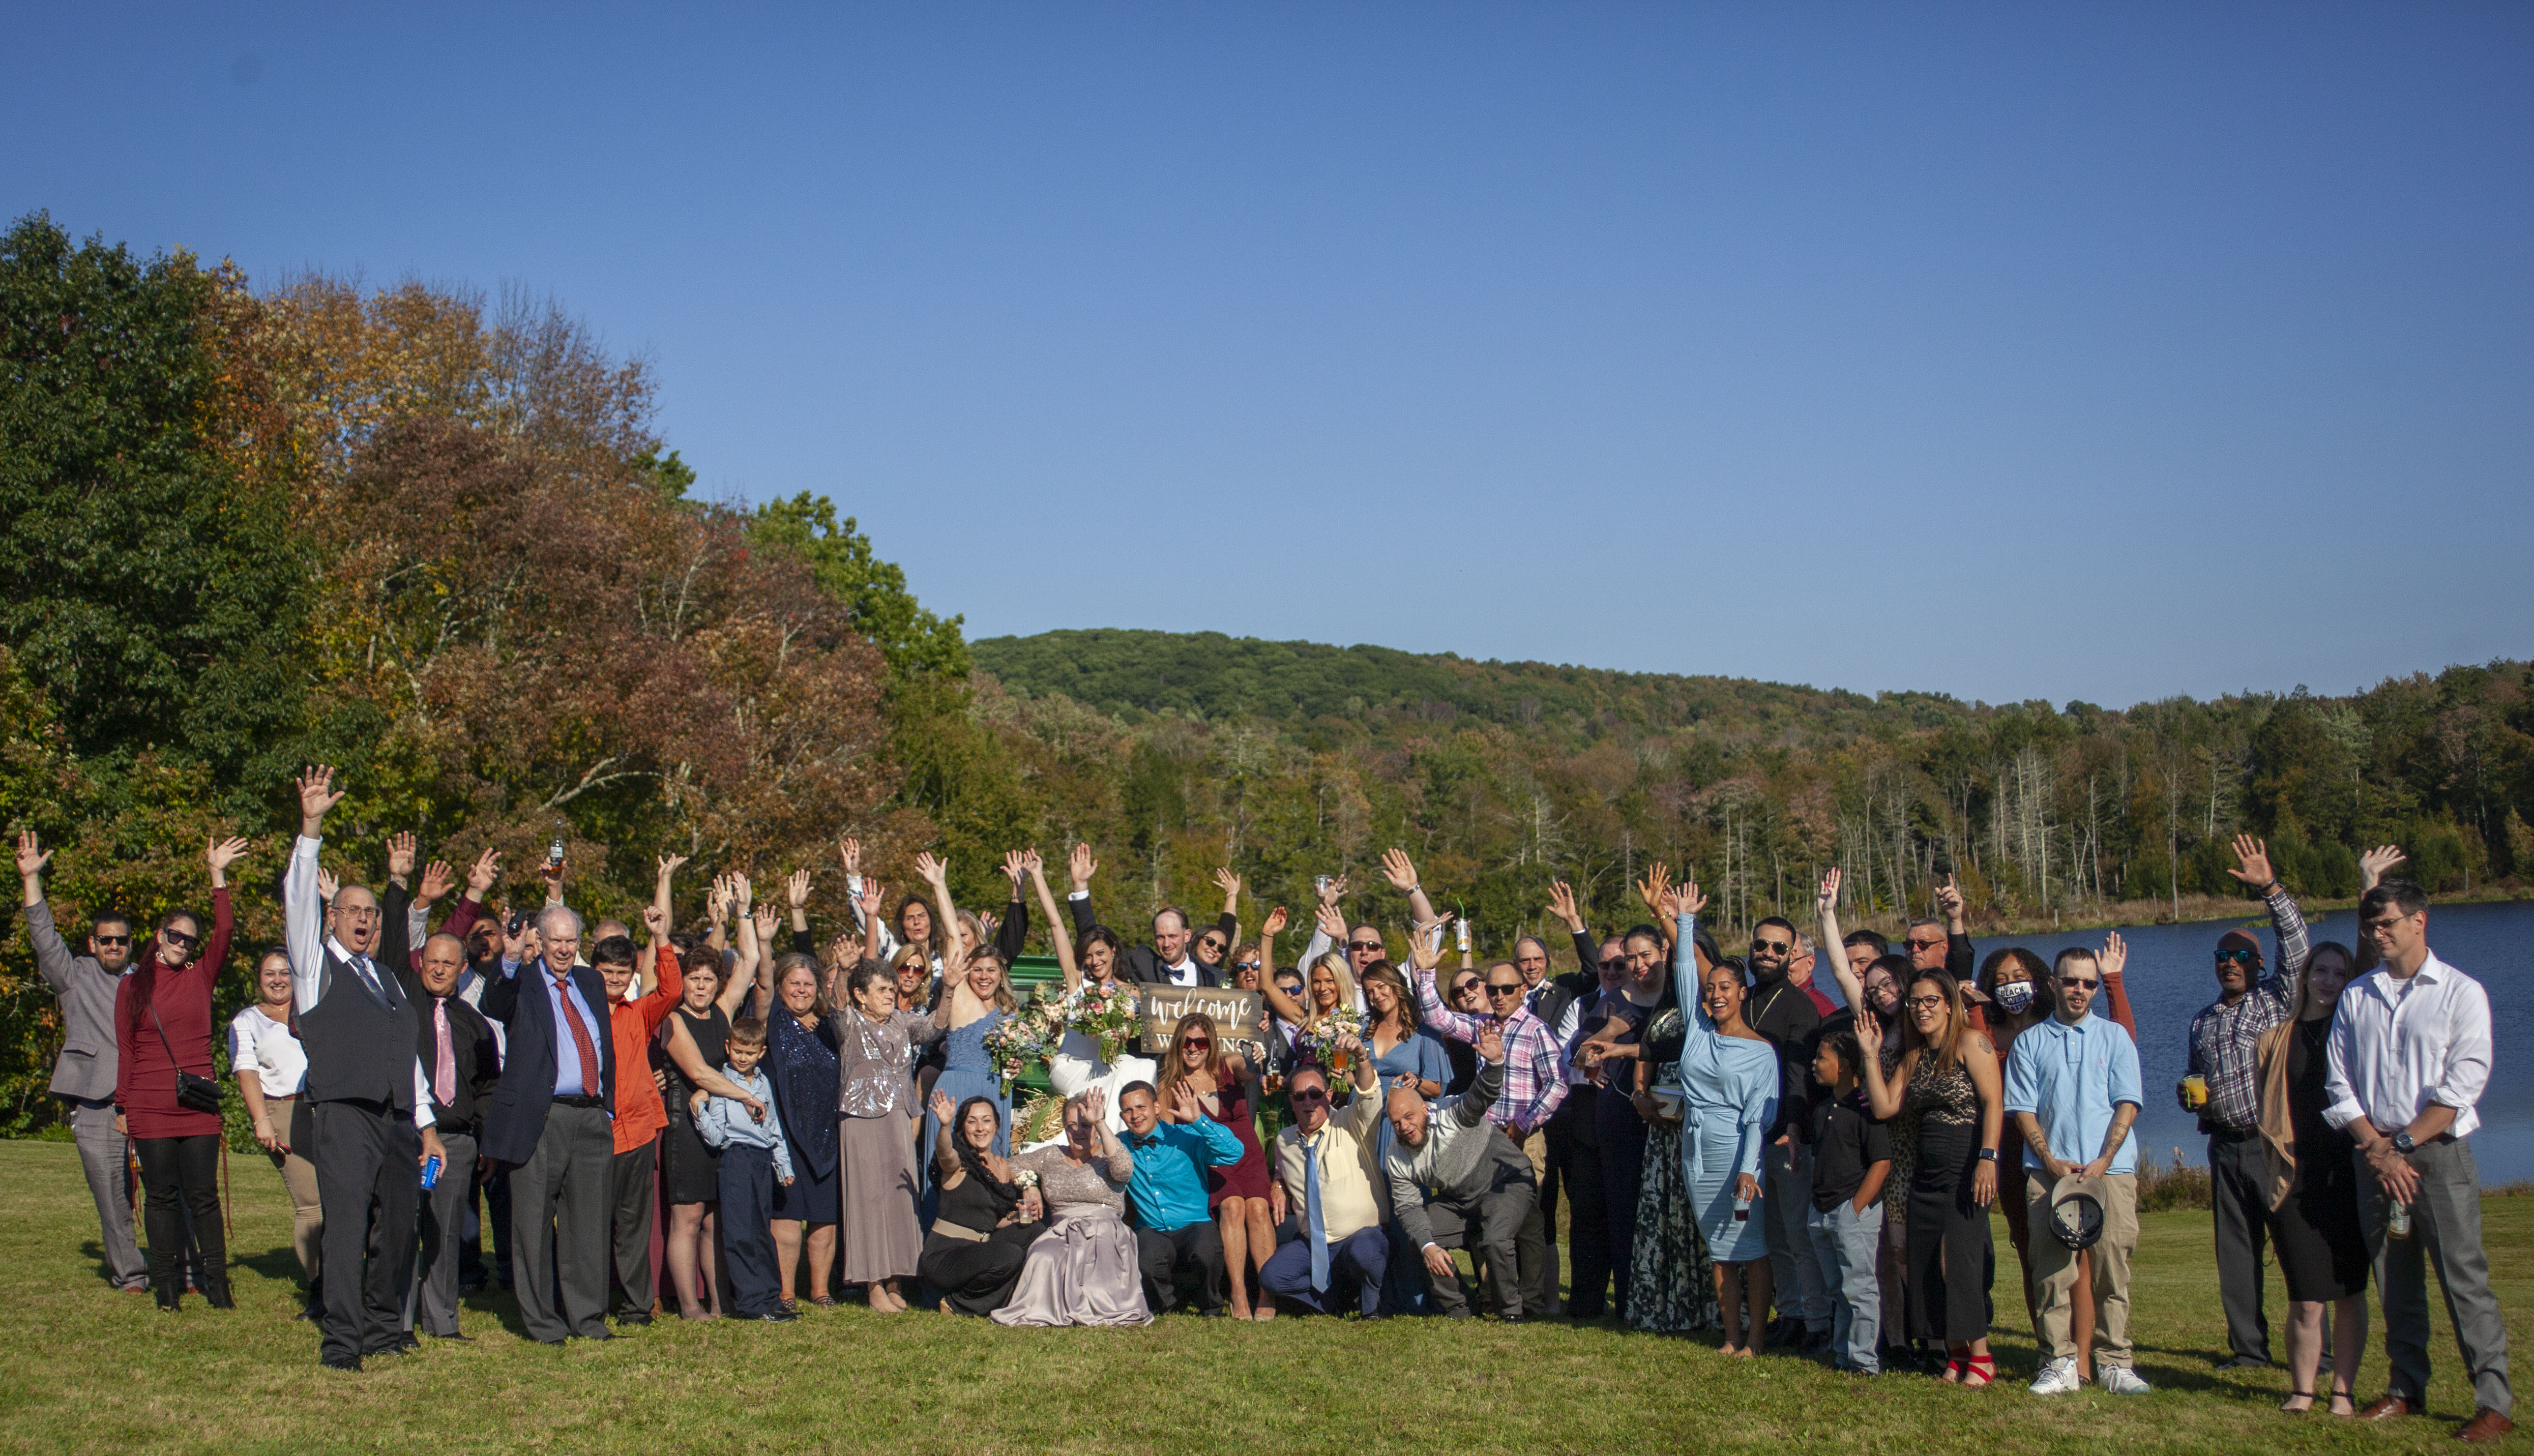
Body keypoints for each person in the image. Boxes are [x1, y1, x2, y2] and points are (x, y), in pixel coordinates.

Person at [2325, 878, 2512, 1442]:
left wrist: (2401, 1146)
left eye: (2386, 923)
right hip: (2374, 1156)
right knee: (2394, 1279)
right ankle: (2405, 1388)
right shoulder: (2357, 996)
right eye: (2370, 926)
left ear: (2418, 921)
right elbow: (2339, 1083)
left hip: (2437, 1154)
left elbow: (2462, 1086)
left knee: (2463, 1279)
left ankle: (2493, 1402)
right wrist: (2378, 1149)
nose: (2376, 934)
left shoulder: (2460, 992)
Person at [284, 768, 449, 1369]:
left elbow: (408, 1059)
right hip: (344, 1116)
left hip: (396, 1120)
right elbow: (297, 903)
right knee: (349, 1227)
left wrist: (426, 1126)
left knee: (397, 1227)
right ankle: (342, 1341)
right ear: (332, 917)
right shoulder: (314, 968)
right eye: (351, 910)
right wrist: (311, 827)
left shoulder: (386, 979)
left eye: (371, 913)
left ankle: (383, 1329)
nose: (362, 919)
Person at [1980, 939, 2138, 1383]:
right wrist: (2048, 1159)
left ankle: (2114, 1363)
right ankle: (2059, 1362)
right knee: (2050, 1273)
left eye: (2088, 983)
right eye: (2070, 981)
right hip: (2046, 1173)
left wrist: (2104, 1160)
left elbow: (2128, 1102)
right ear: (2053, 983)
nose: (2079, 990)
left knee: (2111, 1273)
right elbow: (2022, 1109)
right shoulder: (2029, 1042)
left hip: (2111, 1172)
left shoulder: (2115, 1036)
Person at [2182, 833, 2312, 1371]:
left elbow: (2298, 949)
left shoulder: (2276, 1001)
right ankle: (2248, 1351)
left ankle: (2319, 1352)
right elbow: (2194, 1076)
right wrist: (2190, 1095)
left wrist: (2271, 889)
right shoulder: (2202, 1021)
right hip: (2224, 1147)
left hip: (2272, 1143)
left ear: (2258, 965)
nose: (2230, 964)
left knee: (2297, 1248)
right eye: (2222, 957)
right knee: (2235, 1253)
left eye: (2240, 957)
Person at [2258, 881, 2381, 1415]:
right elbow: (2265, 1111)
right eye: (2321, 971)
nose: (2329, 981)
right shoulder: (2275, 1039)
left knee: (2351, 1291)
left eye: (2339, 973)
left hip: (2350, 1173)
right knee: (2306, 1297)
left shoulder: (2354, 1030)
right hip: (2296, 1179)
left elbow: (2373, 959)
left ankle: (2343, 1392)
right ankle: (2302, 1390)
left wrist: (2368, 890)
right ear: (2305, 975)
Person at [1402, 909, 1564, 1315]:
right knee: (1485, 1217)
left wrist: (1524, 1124)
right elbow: (1438, 1016)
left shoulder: (1537, 1030)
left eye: (1507, 989)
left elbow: (1557, 1084)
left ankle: (1531, 1301)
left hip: (1524, 1137)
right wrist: (1425, 974)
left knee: (1527, 1222)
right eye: (1493, 989)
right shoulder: (1482, 1026)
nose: (1499, 995)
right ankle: (1494, 1296)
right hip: (1483, 1140)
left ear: (1523, 990)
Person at [1855, 953, 2003, 1388]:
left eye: (1931, 1001)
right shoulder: (1915, 1056)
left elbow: (1993, 1102)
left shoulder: (1972, 1043)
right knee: (1927, 1265)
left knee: (1960, 1262)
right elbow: (1884, 1107)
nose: (1922, 1009)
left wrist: (1988, 1158)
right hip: (1926, 1168)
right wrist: (1869, 1055)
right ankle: (1956, 1355)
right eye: (1915, 1002)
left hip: (1965, 1165)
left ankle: (1982, 1357)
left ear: (1950, 1004)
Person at [114, 836, 246, 1312]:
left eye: (189, 940)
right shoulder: (132, 986)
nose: (182, 944)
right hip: (149, 1103)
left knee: (204, 1196)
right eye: (175, 936)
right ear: (159, 935)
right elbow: (127, 1049)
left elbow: (225, 929)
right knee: (161, 1198)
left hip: (198, 1102)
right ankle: (167, 1288)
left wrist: (218, 875)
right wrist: (122, 1106)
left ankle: (218, 1284)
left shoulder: (200, 976)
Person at [17, 829, 149, 1295]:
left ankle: (186, 1268)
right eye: (105, 940)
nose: (114, 946)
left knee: (170, 1191)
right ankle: (131, 1274)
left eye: (121, 940)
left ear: (131, 943)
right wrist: (31, 879)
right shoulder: (74, 975)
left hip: (149, 1101)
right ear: (92, 943)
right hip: (96, 1105)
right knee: (111, 1197)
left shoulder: (150, 980)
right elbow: (44, 938)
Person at [479, 894, 613, 1346]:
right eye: (555, 940)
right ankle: (542, 1321)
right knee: (533, 1222)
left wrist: (607, 1106)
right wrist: (510, 957)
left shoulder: (591, 981)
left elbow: (603, 1042)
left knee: (589, 1222)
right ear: (540, 940)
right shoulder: (522, 981)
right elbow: (493, 1003)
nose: (564, 949)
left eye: (571, 941)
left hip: (591, 1115)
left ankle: (588, 1317)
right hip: (541, 1115)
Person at [1668, 898, 1780, 1355]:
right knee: (1719, 1250)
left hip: (1737, 1157)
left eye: (1726, 987)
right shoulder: (1698, 1032)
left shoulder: (1761, 1052)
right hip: (1696, 1154)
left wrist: (1749, 1168)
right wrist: (1684, 921)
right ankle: (1731, 1337)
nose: (1716, 994)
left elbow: (1757, 1119)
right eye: (1711, 987)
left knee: (1750, 1249)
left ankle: (1757, 1339)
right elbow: (1684, 973)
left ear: (1742, 993)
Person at [655, 899, 765, 1321]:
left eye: (708, 979)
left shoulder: (721, 1010)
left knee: (715, 1220)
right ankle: (689, 1305)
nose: (701, 987)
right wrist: (746, 1096)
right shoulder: (672, 1020)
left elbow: (750, 958)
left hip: (721, 1127)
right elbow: (700, 1072)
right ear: (681, 981)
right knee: (688, 1217)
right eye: (693, 979)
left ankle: (721, 1302)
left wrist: (744, 911)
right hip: (686, 1127)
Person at [1386, 1021, 1535, 1320]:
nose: (1405, 1127)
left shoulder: (1452, 1113)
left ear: (1425, 1109)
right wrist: (1428, 1245)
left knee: (1496, 1239)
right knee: (1419, 1239)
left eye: (1409, 1116)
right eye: (1397, 1123)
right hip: (1460, 1201)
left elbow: (1481, 1095)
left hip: (1505, 1183)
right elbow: (1408, 1208)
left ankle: (1510, 1312)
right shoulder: (1396, 1155)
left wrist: (1494, 1063)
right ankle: (1461, 1307)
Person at [834, 926, 948, 1313]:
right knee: (867, 1197)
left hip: (899, 1113)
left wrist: (949, 989)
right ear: (861, 995)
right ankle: (873, 1284)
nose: (890, 994)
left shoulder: (901, 1020)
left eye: (891, 988)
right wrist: (843, 969)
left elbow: (934, 1028)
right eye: (882, 989)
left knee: (900, 1196)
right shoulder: (850, 1022)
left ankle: (897, 1279)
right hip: (861, 1117)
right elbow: (835, 1005)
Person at [397, 929, 500, 1342]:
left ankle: (442, 1321)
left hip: (457, 1140)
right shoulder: (403, 1007)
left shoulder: (475, 1023)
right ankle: (399, 1321)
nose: (439, 970)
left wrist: (485, 1139)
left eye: (448, 963)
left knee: (446, 1231)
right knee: (402, 1227)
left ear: (462, 969)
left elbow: (488, 1086)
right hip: (408, 1134)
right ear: (421, 963)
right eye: (432, 961)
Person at [1156, 1011, 1278, 1321]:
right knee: (1233, 1207)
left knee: (1259, 1209)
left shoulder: (1227, 1066)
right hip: (1211, 1157)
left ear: (1211, 1044)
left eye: (1201, 1042)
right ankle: (1238, 1294)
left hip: (1246, 1150)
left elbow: (1247, 1068)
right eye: (1187, 1042)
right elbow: (1167, 1136)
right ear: (1178, 1044)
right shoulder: (1170, 1084)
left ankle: (1267, 1292)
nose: (1193, 1048)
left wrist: (1254, 1059)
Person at [995, 1088, 1150, 1327]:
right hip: (1061, 1233)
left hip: (1105, 1232)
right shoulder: (1050, 1156)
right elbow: (1009, 1165)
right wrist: (1029, 1185)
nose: (1078, 1132)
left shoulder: (1109, 1155)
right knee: (1042, 1256)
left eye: (1086, 1125)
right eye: (1071, 1126)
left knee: (1098, 1283)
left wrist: (1099, 1122)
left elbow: (1124, 1170)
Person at [1742, 914, 1826, 1351]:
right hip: (1749, 1137)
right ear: (1751, 947)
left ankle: (1817, 1320)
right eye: (1762, 946)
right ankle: (1790, 1313)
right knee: (1772, 1235)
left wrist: (1793, 1127)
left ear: (1792, 954)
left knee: (1798, 1234)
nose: (1769, 954)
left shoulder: (1800, 1006)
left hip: (1786, 1135)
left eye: (1779, 948)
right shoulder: (1744, 999)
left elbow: (1800, 1076)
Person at [1026, 853, 1157, 1131]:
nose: (1094, 961)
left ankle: (1131, 1139)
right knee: (1123, 1070)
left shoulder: (1131, 993)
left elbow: (1121, 1042)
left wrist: (1114, 1033)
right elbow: (1056, 925)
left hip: (1105, 1066)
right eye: (1087, 956)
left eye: (1100, 953)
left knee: (1144, 1067)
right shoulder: (1078, 982)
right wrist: (1038, 876)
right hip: (1070, 1067)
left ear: (1113, 951)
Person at [596, 913, 683, 1326]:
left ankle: (637, 1305)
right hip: (595, 1133)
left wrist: (661, 937)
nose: (614, 979)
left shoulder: (640, 1012)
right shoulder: (580, 1012)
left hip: (638, 1130)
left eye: (622, 972)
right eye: (606, 971)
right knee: (591, 1223)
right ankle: (589, 1303)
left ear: (632, 974)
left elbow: (673, 990)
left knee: (633, 1222)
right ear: (594, 971)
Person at [1262, 1038, 1388, 1317]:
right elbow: (1283, 1171)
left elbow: (1368, 1093)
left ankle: (1371, 1309)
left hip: (1359, 1238)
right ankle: (1333, 1302)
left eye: (1315, 1094)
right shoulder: (1285, 1140)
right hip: (1313, 1245)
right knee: (1272, 1277)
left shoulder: (1353, 1122)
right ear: (1292, 1101)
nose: (1308, 1102)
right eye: (1299, 1096)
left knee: (1366, 1253)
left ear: (1329, 1095)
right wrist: (1278, 1184)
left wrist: (1361, 1057)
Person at [231, 945, 323, 1316]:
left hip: (326, 1108)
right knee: (312, 1204)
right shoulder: (247, 1020)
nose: (278, 980)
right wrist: (262, 1120)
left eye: (285, 972)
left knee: (342, 1200)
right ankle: (320, 1289)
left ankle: (348, 1280)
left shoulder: (313, 1009)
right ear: (259, 980)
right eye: (270, 973)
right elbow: (247, 1071)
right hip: (283, 1111)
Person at [693, 1016, 797, 1323]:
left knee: (761, 1231)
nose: (743, 1058)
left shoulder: (764, 1083)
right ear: (728, 1047)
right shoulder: (722, 1084)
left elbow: (774, 1128)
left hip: (762, 1161)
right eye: (738, 1051)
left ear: (761, 1053)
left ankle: (772, 1298)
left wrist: (783, 1165)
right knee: (741, 1233)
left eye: (750, 1053)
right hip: (736, 1159)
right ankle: (751, 1303)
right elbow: (716, 1136)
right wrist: (698, 1109)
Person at [1119, 1078, 1246, 1315]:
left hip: (1195, 1223)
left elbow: (1234, 1153)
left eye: (1141, 1107)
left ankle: (1211, 1306)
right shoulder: (1119, 1145)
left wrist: (1199, 1120)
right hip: (1152, 1228)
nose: (1135, 1115)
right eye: (1128, 1110)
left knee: (1207, 1253)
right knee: (1146, 1263)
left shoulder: (1186, 1136)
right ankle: (1167, 1306)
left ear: (1157, 1107)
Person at [1806, 1023, 1891, 1375]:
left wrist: (1855, 1210)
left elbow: (1882, 1162)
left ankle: (1864, 1361)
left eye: (1821, 1058)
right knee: (1838, 1288)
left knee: (1859, 1288)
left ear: (1842, 1066)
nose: (1814, 1063)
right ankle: (1844, 1354)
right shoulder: (1822, 1108)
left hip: (1852, 1210)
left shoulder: (1865, 1108)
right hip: (1822, 1211)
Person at [918, 1090, 1044, 1316]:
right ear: (962, 1127)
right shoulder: (959, 1161)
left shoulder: (1002, 1165)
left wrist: (1020, 1211)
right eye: (972, 1121)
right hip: (946, 1256)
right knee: (1010, 1255)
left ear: (996, 1126)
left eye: (986, 1121)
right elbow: (945, 1154)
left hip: (982, 1248)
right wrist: (945, 1126)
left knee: (1035, 1232)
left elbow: (995, 1221)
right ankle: (958, 1304)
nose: (980, 1128)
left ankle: (1022, 1299)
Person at [1064, 842, 1222, 987]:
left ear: (1187, 935)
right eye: (1160, 937)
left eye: (1173, 936)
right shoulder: (1142, 963)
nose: (1166, 944)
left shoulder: (1215, 977)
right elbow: (1094, 940)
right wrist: (1081, 886)